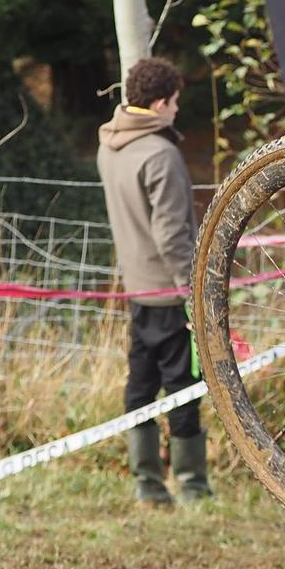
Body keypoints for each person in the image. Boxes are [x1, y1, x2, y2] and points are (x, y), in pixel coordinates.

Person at [96, 56, 207, 507]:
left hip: (136, 288)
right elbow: (171, 234)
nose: (177, 110)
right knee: (184, 386)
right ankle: (193, 486)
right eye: (176, 102)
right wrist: (192, 291)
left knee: (140, 386)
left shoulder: (109, 145)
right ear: (160, 103)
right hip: (168, 291)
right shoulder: (160, 154)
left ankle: (147, 483)